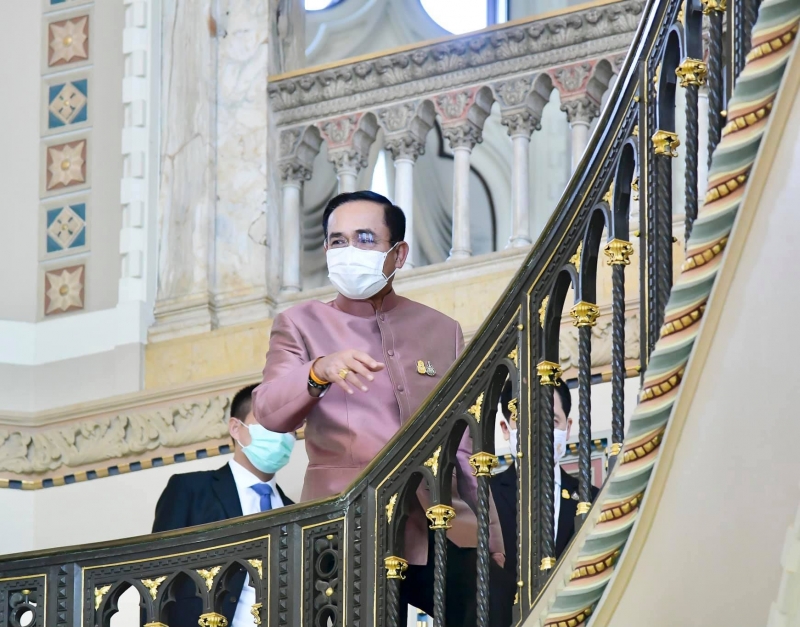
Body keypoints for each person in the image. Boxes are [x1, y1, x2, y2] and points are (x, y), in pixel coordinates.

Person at [253, 191, 515, 626]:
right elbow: (268, 410)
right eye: (338, 241)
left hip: (438, 519)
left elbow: (465, 447)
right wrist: (317, 371)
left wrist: (493, 538)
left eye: (364, 238)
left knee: (496, 605)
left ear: (399, 253)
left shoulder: (442, 330)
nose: (349, 251)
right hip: (347, 525)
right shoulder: (300, 323)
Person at [152, 384, 295, 627]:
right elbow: (154, 576)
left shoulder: (296, 512)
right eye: (268, 422)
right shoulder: (190, 490)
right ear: (236, 428)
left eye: (287, 425)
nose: (280, 433)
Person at [490, 379, 599, 578]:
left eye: (552, 421)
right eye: (525, 420)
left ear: (567, 428)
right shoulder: (486, 495)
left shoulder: (592, 498)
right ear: (506, 429)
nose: (539, 430)